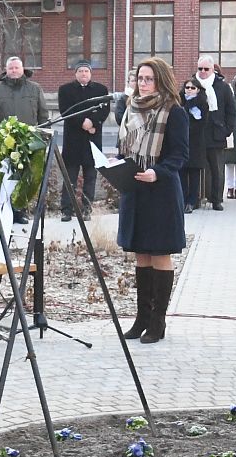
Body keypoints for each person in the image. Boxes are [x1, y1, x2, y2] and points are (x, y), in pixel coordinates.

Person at [115, 57, 188, 345]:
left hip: (160, 192)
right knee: (141, 253)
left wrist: (156, 173)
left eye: (148, 79)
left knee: (159, 253)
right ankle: (141, 319)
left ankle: (158, 322)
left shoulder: (173, 112)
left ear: (160, 81)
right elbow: (126, 149)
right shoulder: (129, 109)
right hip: (134, 190)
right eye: (139, 78)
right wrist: (116, 162)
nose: (142, 84)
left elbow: (179, 155)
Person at [0, 55, 45, 223]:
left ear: (22, 69)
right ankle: (1, 211)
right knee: (4, 178)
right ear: (6, 70)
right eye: (11, 68)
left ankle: (20, 212)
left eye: (17, 68)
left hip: (29, 143)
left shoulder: (34, 89)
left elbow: (43, 115)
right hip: (5, 144)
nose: (14, 71)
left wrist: (43, 138)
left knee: (25, 178)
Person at [57, 60, 110, 221]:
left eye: (86, 71)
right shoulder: (65, 90)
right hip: (73, 140)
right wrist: (83, 123)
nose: (83, 74)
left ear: (91, 73)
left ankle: (87, 208)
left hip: (92, 140)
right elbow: (65, 110)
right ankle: (67, 210)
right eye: (80, 71)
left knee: (90, 177)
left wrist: (93, 122)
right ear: (75, 74)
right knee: (69, 177)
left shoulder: (101, 90)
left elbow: (104, 109)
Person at [194, 57, 234, 210]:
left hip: (216, 134)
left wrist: (227, 130)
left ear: (213, 70)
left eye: (206, 69)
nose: (203, 72)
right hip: (196, 134)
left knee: (217, 169)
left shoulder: (222, 86)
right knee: (196, 167)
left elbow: (231, 111)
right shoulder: (192, 84)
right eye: (200, 69)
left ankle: (216, 199)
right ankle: (196, 198)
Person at [179, 76, 209, 212]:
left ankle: (192, 201)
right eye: (187, 87)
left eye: (193, 88)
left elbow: (203, 122)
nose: (189, 90)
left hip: (196, 142)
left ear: (198, 90)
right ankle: (183, 200)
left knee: (195, 173)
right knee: (182, 172)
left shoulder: (202, 102)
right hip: (181, 141)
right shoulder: (180, 101)